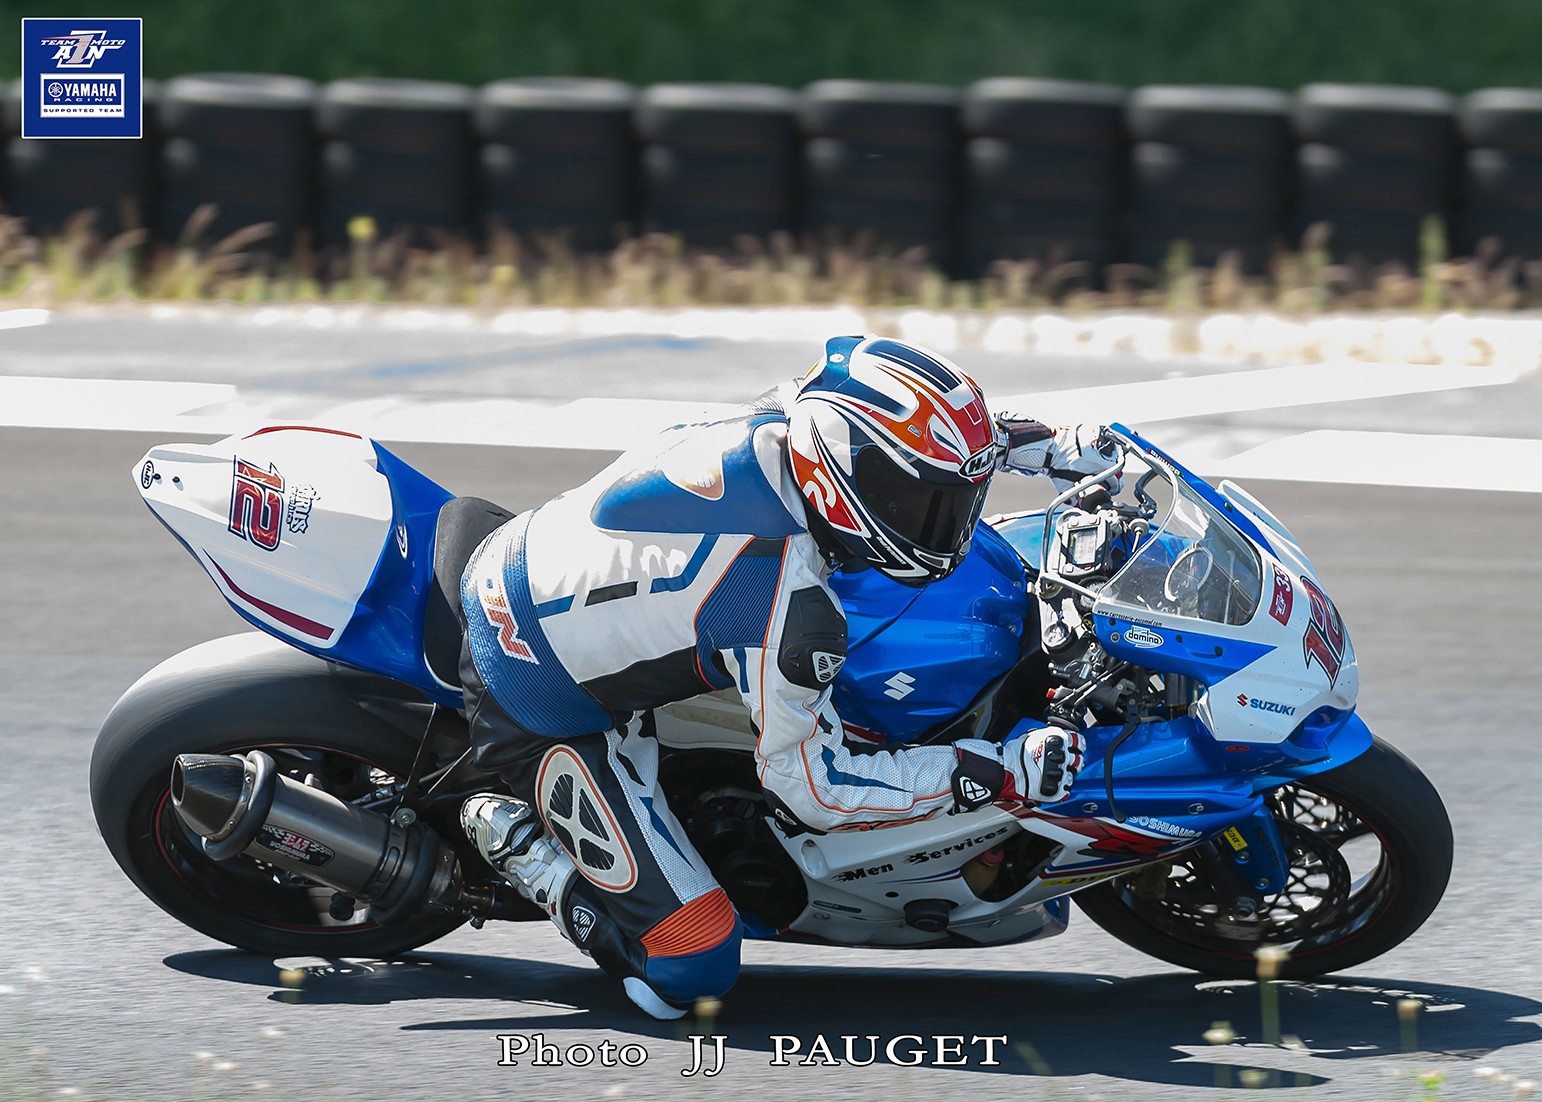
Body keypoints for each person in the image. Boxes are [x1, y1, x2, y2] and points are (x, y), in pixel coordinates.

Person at [457, 335, 1114, 1018]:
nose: (948, 527)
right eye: (923, 504)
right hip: (532, 688)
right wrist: (994, 773)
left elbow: (911, 441)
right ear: (847, 479)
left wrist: (1052, 446)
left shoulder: (794, 421)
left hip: (540, 560)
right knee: (692, 965)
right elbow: (814, 790)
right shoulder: (786, 604)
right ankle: (532, 856)